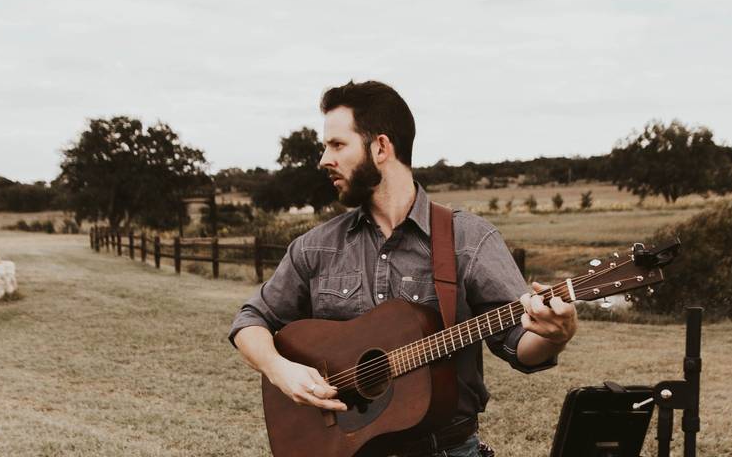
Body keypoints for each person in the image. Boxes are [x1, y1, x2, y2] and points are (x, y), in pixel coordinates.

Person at [230, 80, 577, 457]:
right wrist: (282, 371)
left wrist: (554, 335)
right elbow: (251, 320)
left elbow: (518, 344)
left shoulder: (467, 239)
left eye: (337, 145)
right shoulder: (316, 246)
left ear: (380, 147)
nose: (323, 159)